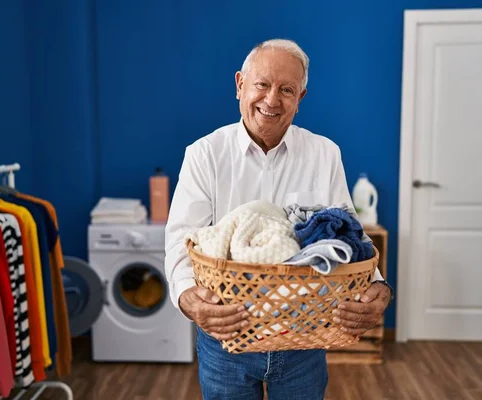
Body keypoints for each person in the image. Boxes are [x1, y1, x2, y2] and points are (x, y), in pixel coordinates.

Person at [164, 38, 393, 400]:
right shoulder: (205, 154)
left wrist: (378, 286)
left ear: (300, 99)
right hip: (227, 336)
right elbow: (181, 238)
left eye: (287, 89)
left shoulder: (324, 154)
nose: (272, 100)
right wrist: (189, 299)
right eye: (262, 84)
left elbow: (348, 236)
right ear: (240, 85)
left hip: (304, 335)